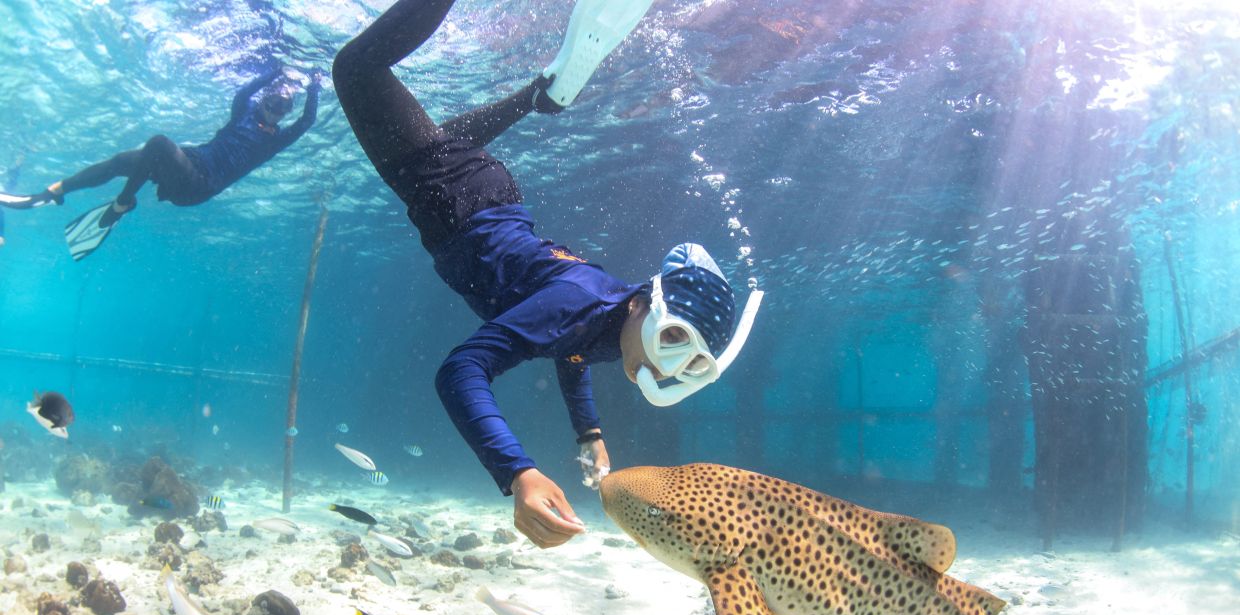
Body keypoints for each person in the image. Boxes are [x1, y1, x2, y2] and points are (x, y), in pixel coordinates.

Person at [332, 0, 763, 548]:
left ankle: (539, 96)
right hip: (454, 201)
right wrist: (518, 473)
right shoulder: (582, 303)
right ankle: (534, 95)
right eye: (674, 339)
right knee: (356, 70)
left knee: (444, 140)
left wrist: (590, 433)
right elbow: (461, 371)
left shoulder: (616, 326)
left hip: (482, 196)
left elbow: (573, 349)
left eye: (689, 362)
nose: (665, 364)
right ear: (642, 306)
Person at [0, 67, 320, 260]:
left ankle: (122, 203)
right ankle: (55, 190)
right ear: (264, 100)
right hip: (191, 161)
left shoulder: (273, 143)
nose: (276, 108)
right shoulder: (243, 113)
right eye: (273, 101)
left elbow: (307, 121)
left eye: (284, 106)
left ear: (286, 113)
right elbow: (244, 91)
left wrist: (315, 85)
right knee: (120, 161)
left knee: (158, 144)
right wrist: (277, 71)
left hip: (199, 185)